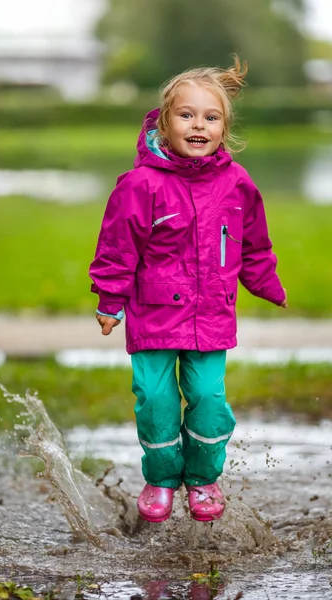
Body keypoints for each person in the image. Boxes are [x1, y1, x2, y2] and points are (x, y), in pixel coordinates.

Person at [89, 57, 287, 524]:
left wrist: (266, 283)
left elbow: (254, 242)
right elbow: (117, 247)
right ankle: (160, 477)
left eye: (210, 117)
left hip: (211, 315)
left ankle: (202, 479)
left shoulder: (236, 184)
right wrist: (109, 301)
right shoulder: (140, 185)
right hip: (153, 314)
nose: (198, 124)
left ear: (223, 128)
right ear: (164, 121)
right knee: (155, 400)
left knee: (209, 400)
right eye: (187, 115)